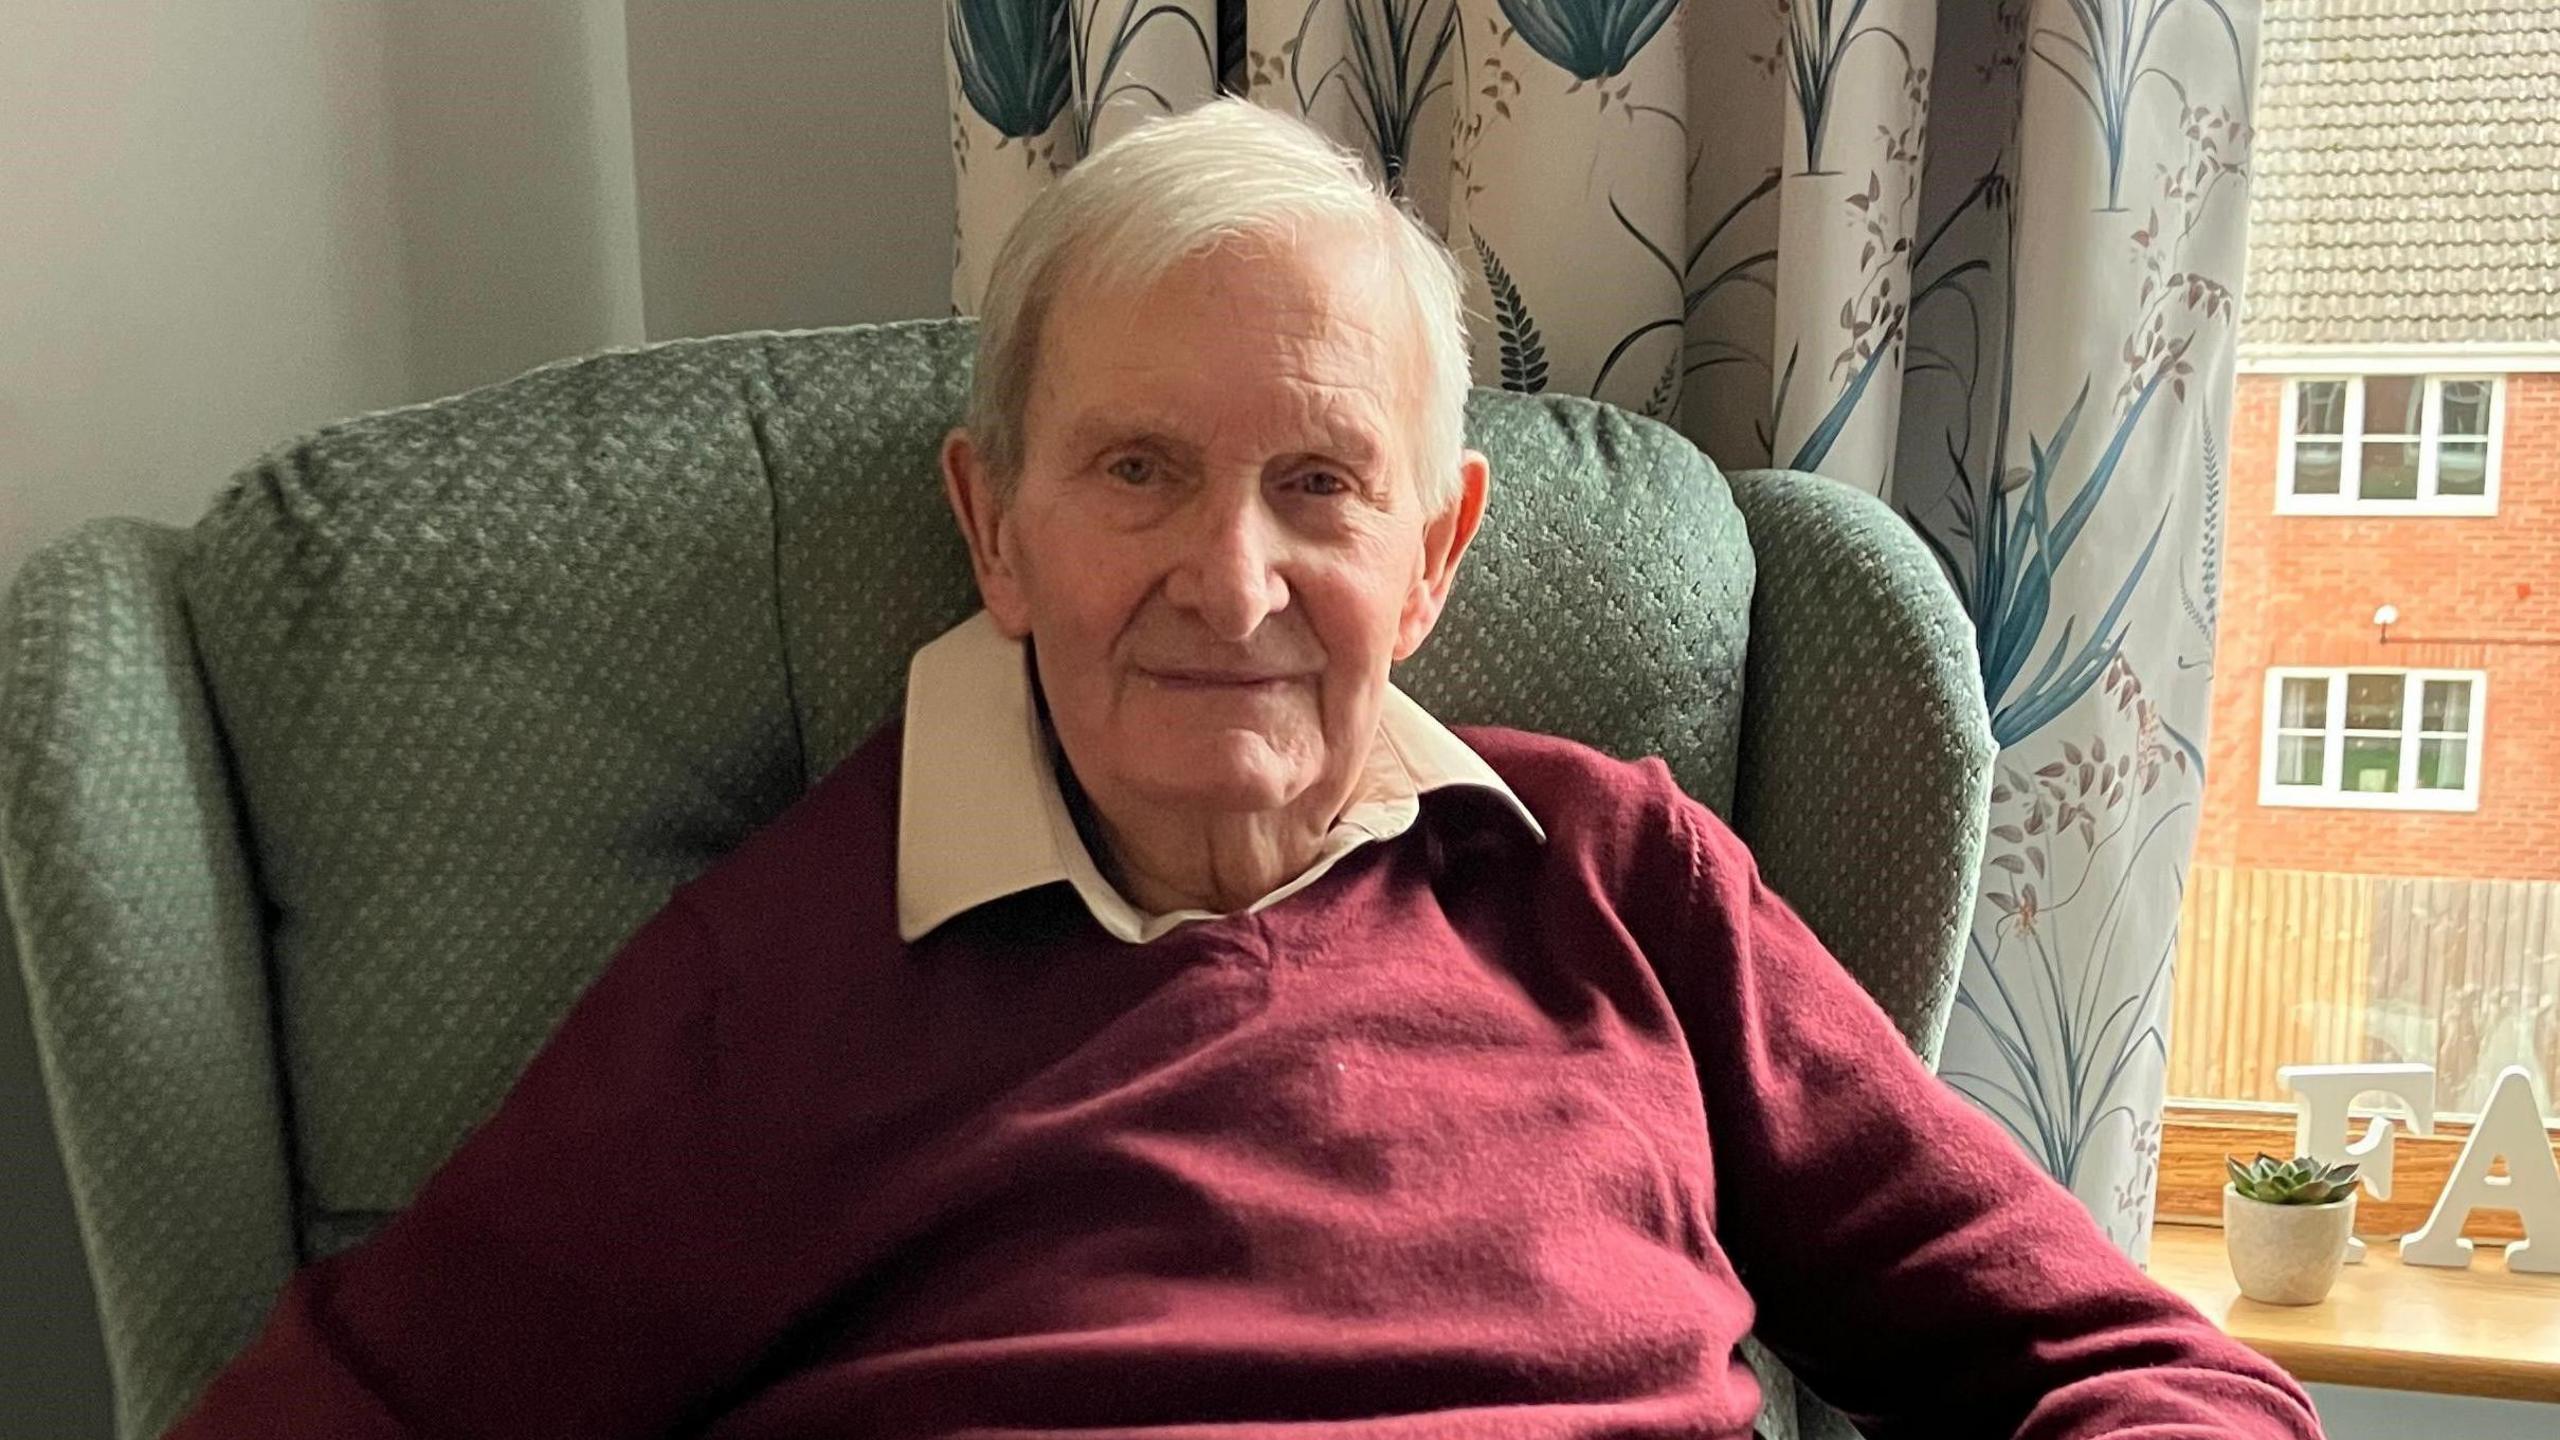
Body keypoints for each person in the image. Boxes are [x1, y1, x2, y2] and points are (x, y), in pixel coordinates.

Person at [167, 100, 2324, 1440]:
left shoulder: (1617, 881)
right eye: (1134, 471)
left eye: (1317, 479)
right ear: (992, 527)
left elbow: (2133, 1366)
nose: (1232, 575)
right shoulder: (792, 965)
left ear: (1438, 547)